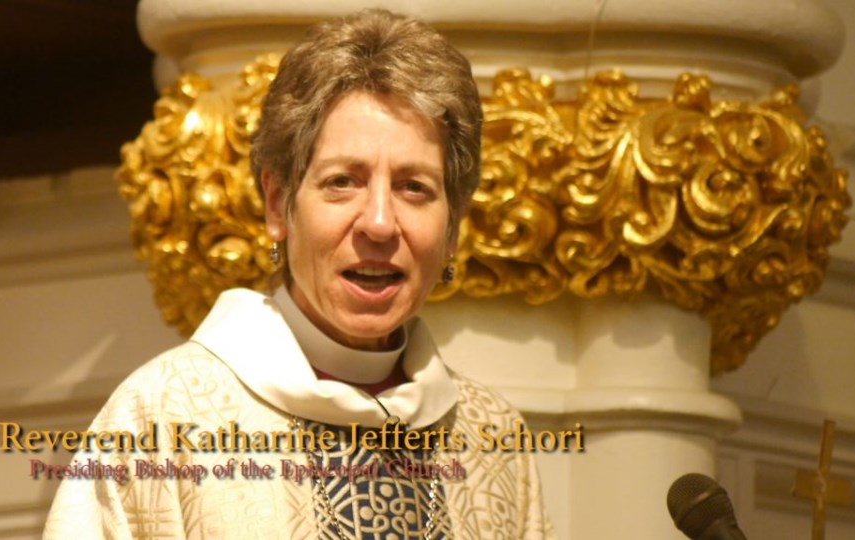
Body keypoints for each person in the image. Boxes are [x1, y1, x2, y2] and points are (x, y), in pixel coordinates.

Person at [44, 9, 556, 539]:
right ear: (277, 202)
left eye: (414, 188)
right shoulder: (161, 421)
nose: (380, 222)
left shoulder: (491, 441)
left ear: (452, 229)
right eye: (343, 181)